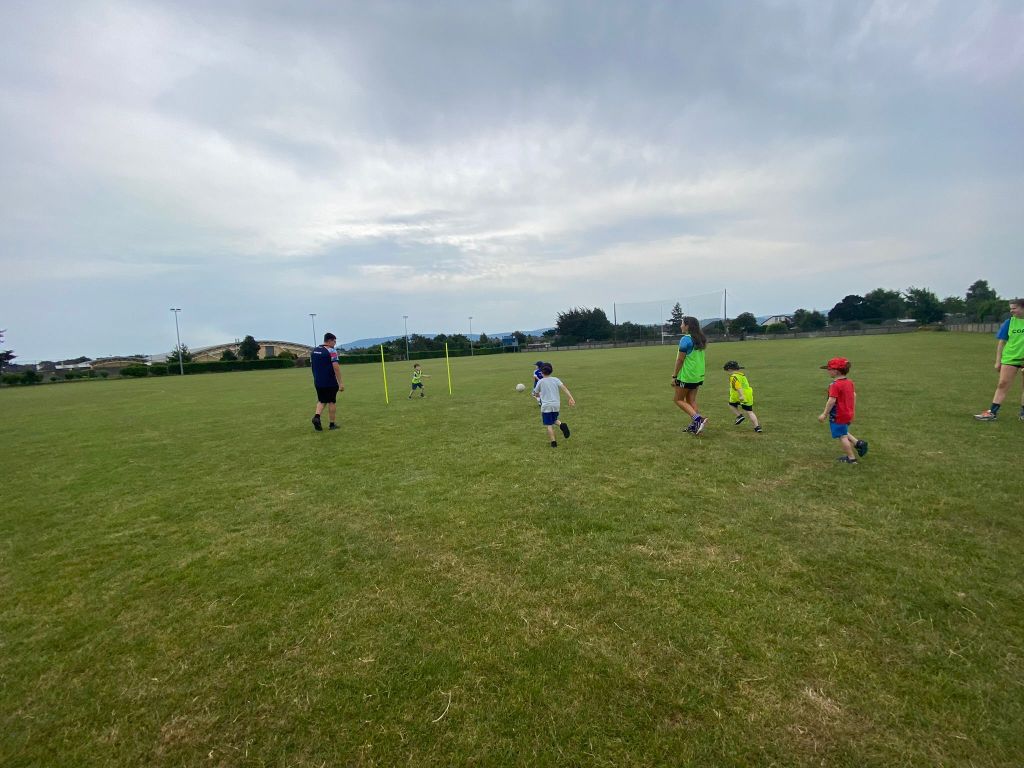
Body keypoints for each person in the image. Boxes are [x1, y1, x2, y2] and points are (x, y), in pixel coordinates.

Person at [974, 298, 1024, 421]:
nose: (1011, 311)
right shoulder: (1009, 322)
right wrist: (998, 361)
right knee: (1002, 384)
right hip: (1010, 358)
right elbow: (1001, 342)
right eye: (1010, 308)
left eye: (1014, 308)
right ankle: (992, 413)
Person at [817, 357, 868, 464]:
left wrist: (824, 414)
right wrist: (852, 410)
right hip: (847, 413)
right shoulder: (849, 382)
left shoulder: (835, 385)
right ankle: (859, 443)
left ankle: (851, 458)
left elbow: (831, 401)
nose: (828, 371)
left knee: (842, 436)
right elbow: (854, 395)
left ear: (836, 371)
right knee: (842, 430)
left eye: (829, 369)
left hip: (838, 415)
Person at [672, 316, 708, 434]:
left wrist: (674, 376)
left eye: (682, 323)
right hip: (698, 375)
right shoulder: (700, 338)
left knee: (678, 399)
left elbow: (680, 360)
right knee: (691, 400)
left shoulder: (686, 339)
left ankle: (698, 419)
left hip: (687, 375)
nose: (681, 326)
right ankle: (695, 426)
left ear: (687, 326)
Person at [532, 362, 575, 447]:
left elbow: (536, 394)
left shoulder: (540, 382)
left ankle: (553, 443)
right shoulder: (556, 379)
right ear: (551, 371)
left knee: (549, 424)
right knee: (553, 419)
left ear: (541, 372)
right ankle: (562, 425)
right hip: (556, 405)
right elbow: (564, 388)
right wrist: (571, 398)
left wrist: (538, 394)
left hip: (546, 406)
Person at [310, 332, 344, 431]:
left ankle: (316, 417)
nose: (335, 343)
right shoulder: (331, 351)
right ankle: (332, 424)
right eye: (334, 341)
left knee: (322, 400)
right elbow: (336, 367)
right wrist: (340, 382)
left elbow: (313, 366)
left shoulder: (314, 351)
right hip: (330, 381)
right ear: (329, 341)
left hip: (318, 381)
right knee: (331, 401)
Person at [723, 361, 762, 432]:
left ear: (729, 369)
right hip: (748, 394)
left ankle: (739, 416)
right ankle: (757, 427)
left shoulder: (733, 377)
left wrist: (741, 395)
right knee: (750, 411)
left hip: (738, 395)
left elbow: (738, 387)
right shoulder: (742, 375)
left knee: (731, 404)